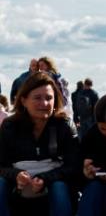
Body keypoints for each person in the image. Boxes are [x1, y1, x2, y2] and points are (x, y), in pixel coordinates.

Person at [0, 72, 79, 216]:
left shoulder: (65, 125)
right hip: (17, 185)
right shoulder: (9, 126)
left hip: (54, 182)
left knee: (59, 187)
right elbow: (1, 164)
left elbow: (73, 165)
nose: (44, 103)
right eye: (37, 98)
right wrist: (16, 175)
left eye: (49, 98)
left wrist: (45, 178)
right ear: (23, 101)